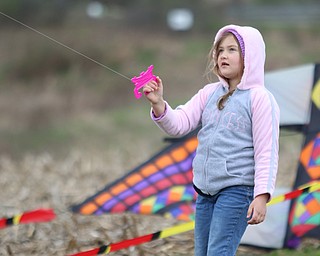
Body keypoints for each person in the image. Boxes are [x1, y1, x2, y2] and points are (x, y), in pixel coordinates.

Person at [143, 24, 280, 256]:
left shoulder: (260, 99)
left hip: (237, 190)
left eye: (232, 50)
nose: (223, 55)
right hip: (205, 191)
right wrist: (158, 104)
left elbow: (266, 151)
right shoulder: (209, 93)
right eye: (220, 50)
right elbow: (179, 124)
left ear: (251, 56)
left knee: (218, 252)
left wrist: (261, 195)